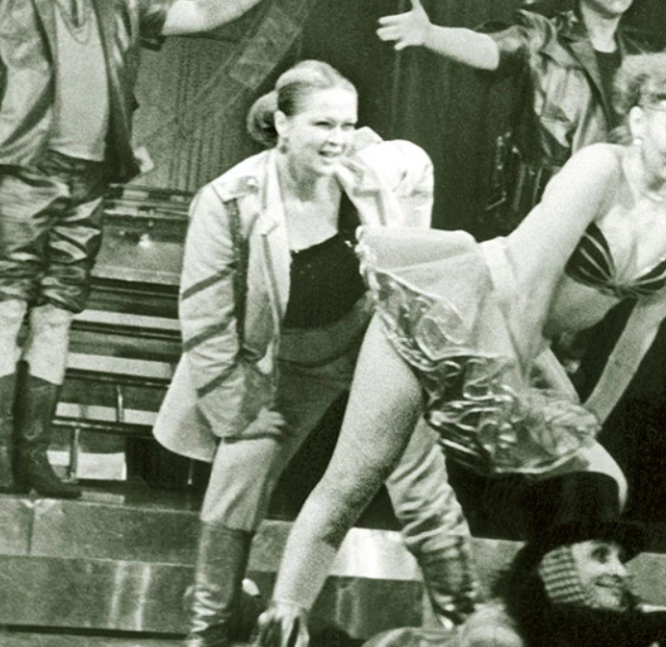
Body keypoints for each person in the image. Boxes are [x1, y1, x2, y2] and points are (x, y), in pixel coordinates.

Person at [253, 51, 666, 646]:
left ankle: (538, 627)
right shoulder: (600, 169)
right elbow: (528, 291)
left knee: (602, 484)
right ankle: (285, 616)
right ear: (638, 122)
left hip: (522, 346)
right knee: (358, 475)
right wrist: (512, 399)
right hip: (453, 313)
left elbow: (646, 324)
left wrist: (591, 417)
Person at [153, 60, 480, 647]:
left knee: (421, 483)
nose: (337, 139)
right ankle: (208, 632)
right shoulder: (230, 200)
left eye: (347, 125)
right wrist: (237, 411)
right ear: (282, 124)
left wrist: (411, 247)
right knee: (240, 469)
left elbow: (418, 165)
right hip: (286, 363)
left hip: (377, 346)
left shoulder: (367, 169)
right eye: (322, 124)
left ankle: (471, 627)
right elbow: (206, 320)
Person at [0, 0, 272, 499]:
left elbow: (205, 11)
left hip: (90, 173)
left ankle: (33, 455)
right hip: (17, 163)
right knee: (4, 305)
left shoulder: (122, 5)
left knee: (57, 313)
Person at [376, 0, 666, 230]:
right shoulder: (543, 35)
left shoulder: (646, 58)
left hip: (609, 222)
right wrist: (431, 34)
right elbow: (492, 48)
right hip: (534, 218)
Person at [361, 472, 666, 647]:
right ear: (555, 565)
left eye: (620, 558)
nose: (620, 571)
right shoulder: (495, 636)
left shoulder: (618, 631)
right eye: (600, 555)